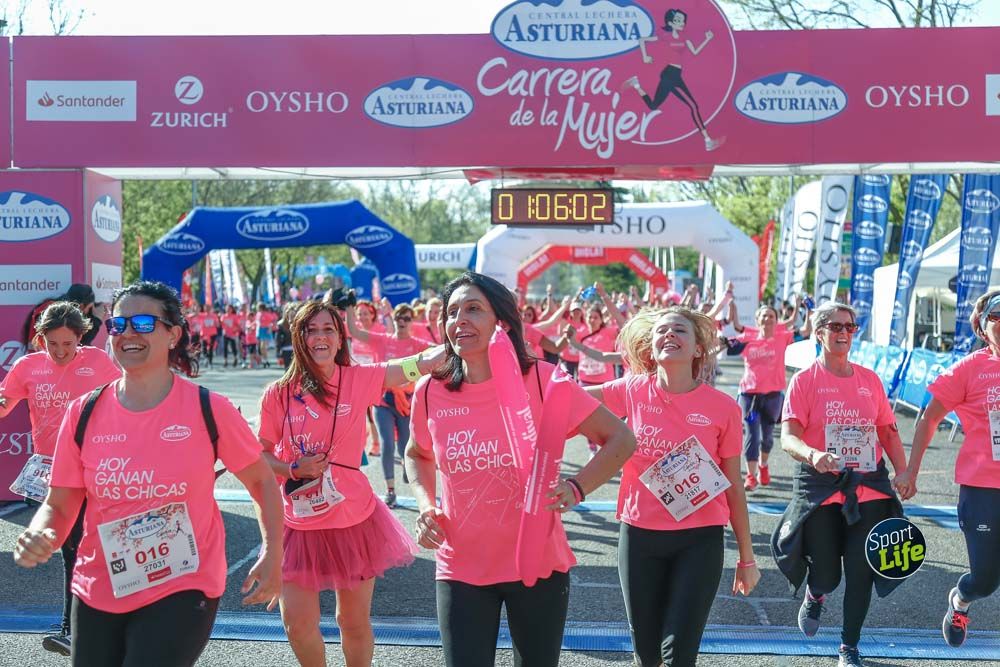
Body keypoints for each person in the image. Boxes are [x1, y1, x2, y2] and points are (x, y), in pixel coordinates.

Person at [12, 281, 283, 666]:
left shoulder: (210, 409)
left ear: (173, 334)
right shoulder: (84, 412)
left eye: (142, 322)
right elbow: (60, 502)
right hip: (99, 584)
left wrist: (273, 552)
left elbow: (262, 482)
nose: (128, 334)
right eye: (119, 325)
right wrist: (41, 533)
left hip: (184, 582)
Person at [404, 272, 636, 667]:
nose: (460, 319)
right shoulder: (431, 389)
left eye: (474, 308)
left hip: (537, 561)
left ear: (503, 323)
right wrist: (426, 506)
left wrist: (577, 488)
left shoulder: (544, 379)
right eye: (452, 312)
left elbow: (621, 438)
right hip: (461, 565)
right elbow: (417, 453)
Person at [257, 298, 443, 667]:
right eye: (311, 330)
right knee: (296, 623)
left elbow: (417, 365)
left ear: (341, 339)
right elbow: (258, 456)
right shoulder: (277, 393)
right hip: (297, 523)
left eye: (329, 329)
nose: (320, 337)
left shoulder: (359, 378)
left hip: (353, 520)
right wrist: (293, 468)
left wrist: (464, 334)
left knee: (352, 621)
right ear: (299, 338)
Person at [581, 307, 759, 667]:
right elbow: (572, 398)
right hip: (639, 537)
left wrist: (747, 558)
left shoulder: (723, 408)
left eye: (679, 330)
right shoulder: (631, 389)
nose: (669, 335)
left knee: (679, 655)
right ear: (652, 345)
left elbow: (733, 486)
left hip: (699, 540)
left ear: (697, 349)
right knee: (646, 656)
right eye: (661, 331)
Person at [771, 302, 912, 667]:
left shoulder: (869, 381)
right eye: (834, 326)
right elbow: (788, 438)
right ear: (818, 333)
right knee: (828, 574)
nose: (843, 332)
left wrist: (904, 471)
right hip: (821, 485)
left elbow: (889, 432)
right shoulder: (804, 381)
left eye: (850, 326)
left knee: (862, 569)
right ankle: (816, 593)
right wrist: (813, 453)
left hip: (868, 485)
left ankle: (849, 647)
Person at [0, 301, 121, 656]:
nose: (60, 352)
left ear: (80, 339)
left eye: (67, 344)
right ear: (41, 339)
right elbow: (4, 403)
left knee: (80, 548)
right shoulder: (28, 367)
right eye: (52, 344)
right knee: (71, 548)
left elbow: (128, 403)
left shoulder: (99, 363)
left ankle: (76, 627)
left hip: (91, 471)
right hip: (48, 475)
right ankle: (81, 625)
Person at [905, 289, 1000, 648]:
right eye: (996, 318)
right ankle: (960, 601)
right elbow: (929, 418)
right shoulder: (970, 368)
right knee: (986, 579)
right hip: (982, 488)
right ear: (982, 326)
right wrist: (911, 471)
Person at [345, 302, 433, 508]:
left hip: (407, 402)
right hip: (383, 400)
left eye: (406, 318)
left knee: (404, 445)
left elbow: (439, 353)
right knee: (387, 444)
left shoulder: (417, 344)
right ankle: (390, 490)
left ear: (412, 322)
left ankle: (406, 466)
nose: (402, 322)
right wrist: (349, 307)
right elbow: (356, 331)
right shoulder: (382, 340)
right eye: (398, 318)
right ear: (393, 319)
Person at [728, 297, 812, 491]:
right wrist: (731, 309)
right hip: (750, 396)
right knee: (752, 434)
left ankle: (763, 466)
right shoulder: (748, 337)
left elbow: (805, 331)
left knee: (767, 437)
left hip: (773, 397)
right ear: (758, 320)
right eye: (764, 316)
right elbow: (728, 338)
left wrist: (806, 310)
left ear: (776, 320)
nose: (767, 319)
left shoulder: (782, 336)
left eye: (771, 316)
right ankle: (750, 475)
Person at [622, 8, 722, 151]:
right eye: (677, 21)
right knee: (693, 106)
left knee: (653, 106)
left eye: (682, 20)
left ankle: (636, 84)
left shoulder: (684, 37)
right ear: (670, 22)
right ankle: (707, 141)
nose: (681, 23)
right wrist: (645, 56)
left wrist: (707, 39)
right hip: (669, 75)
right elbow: (642, 40)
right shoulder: (665, 35)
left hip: (675, 75)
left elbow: (695, 51)